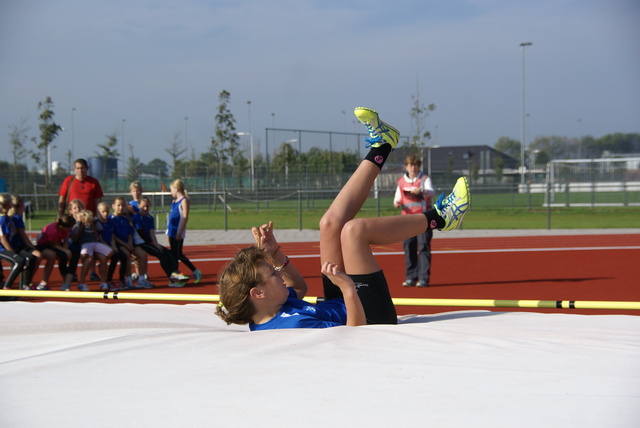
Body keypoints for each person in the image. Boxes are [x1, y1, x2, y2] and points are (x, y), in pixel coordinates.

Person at [215, 107, 470, 330]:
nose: (278, 274)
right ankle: (441, 217)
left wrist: (275, 255)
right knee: (354, 232)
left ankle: (382, 145)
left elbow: (301, 288)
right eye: (272, 273)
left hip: (337, 303)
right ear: (258, 293)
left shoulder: (272, 304)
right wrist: (348, 287)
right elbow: (352, 336)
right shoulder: (290, 327)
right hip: (368, 318)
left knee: (329, 224)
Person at [394, 154, 435, 288]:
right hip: (407, 220)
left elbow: (432, 192)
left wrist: (422, 190)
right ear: (406, 167)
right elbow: (397, 199)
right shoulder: (401, 181)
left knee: (423, 247)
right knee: (409, 247)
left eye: (416, 165)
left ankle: (423, 278)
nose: (413, 168)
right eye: (411, 165)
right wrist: (398, 203)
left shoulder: (424, 178)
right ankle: (411, 277)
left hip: (423, 219)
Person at [133, 196, 190, 287]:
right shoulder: (136, 217)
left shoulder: (150, 218)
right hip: (141, 242)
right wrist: (154, 244)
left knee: (170, 253)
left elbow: (152, 233)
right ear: (139, 205)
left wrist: (156, 243)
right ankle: (172, 279)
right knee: (161, 254)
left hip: (149, 242)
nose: (145, 208)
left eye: (147, 206)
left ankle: (175, 274)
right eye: (143, 206)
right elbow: (141, 234)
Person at [110, 197, 154, 289]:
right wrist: (126, 245)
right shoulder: (111, 219)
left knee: (142, 254)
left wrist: (130, 243)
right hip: (119, 244)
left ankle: (141, 279)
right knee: (126, 255)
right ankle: (128, 280)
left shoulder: (126, 219)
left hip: (128, 243)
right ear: (113, 206)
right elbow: (113, 236)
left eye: (122, 205)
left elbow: (130, 233)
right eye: (118, 205)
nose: (120, 208)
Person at [166, 179, 202, 283]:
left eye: (171, 190)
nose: (171, 192)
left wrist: (179, 232)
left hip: (178, 231)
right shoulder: (173, 202)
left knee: (178, 254)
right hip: (171, 231)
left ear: (176, 189)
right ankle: (176, 275)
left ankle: (195, 271)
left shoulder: (184, 201)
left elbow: (185, 217)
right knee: (173, 254)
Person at [8, 195, 42, 290]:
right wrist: (32, 247)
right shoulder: (16, 218)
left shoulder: (16, 217)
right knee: (34, 256)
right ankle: (26, 283)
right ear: (21, 205)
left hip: (19, 245)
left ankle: (27, 281)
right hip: (17, 246)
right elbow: (23, 236)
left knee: (38, 255)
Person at [35, 214, 76, 290]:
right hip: (45, 245)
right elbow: (53, 244)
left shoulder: (66, 230)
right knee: (55, 255)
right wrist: (65, 251)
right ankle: (43, 282)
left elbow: (66, 241)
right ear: (65, 227)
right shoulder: (52, 230)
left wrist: (66, 251)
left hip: (57, 244)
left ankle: (65, 283)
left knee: (65, 256)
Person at [75, 209, 113, 291]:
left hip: (95, 243)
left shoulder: (94, 224)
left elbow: (100, 228)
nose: (88, 222)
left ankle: (103, 281)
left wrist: (94, 221)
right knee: (88, 258)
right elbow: (74, 232)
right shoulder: (80, 224)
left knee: (109, 252)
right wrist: (79, 222)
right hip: (86, 244)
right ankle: (82, 282)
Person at [95, 202, 128, 291]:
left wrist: (114, 246)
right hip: (100, 246)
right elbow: (100, 239)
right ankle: (108, 280)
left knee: (123, 256)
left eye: (107, 211)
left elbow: (112, 236)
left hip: (109, 246)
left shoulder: (110, 222)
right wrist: (109, 248)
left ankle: (121, 279)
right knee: (114, 256)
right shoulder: (96, 223)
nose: (105, 214)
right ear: (98, 212)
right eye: (103, 212)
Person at [0, 193, 28, 290]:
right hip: (1, 249)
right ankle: (7, 287)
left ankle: (12, 285)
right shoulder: (2, 219)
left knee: (22, 259)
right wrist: (12, 253)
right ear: (8, 204)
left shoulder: (7, 218)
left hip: (4, 248)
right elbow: (3, 240)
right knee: (19, 261)